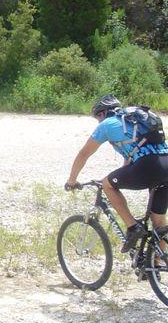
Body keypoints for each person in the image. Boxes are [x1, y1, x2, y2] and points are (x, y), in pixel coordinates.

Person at [66, 94, 168, 253]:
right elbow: (129, 162)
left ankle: (133, 227)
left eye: (97, 118)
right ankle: (154, 267)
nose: (98, 121)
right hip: (165, 164)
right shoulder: (133, 121)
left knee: (108, 185)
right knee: (159, 224)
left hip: (148, 166)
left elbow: (84, 154)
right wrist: (117, 175)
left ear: (102, 113)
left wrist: (72, 180)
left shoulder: (107, 124)